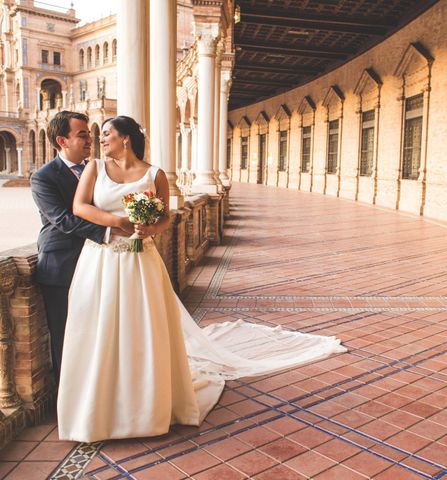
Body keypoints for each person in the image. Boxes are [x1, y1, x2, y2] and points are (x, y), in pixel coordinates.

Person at [57, 115, 345, 442]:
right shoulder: (95, 168)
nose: (101, 139)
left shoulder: (156, 175)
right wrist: (118, 222)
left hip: (141, 262)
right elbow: (79, 207)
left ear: (126, 138)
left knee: (143, 330)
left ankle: (145, 409)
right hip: (101, 261)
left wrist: (147, 229)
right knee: (99, 328)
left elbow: (164, 218)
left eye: (107, 134)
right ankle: (97, 410)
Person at [30, 111, 132, 383]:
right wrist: (110, 230)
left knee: (98, 331)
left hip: (99, 261)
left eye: (90, 134)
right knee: (65, 334)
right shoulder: (43, 177)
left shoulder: (97, 170)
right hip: (61, 263)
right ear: (62, 140)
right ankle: (68, 400)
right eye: (83, 135)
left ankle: (99, 390)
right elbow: (62, 220)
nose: (91, 139)